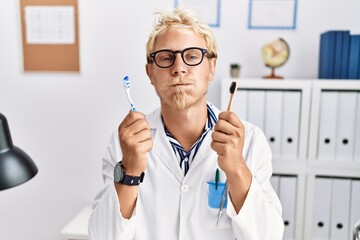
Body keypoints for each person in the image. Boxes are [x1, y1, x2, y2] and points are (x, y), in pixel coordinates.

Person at [88, 7, 284, 240]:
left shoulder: (250, 140)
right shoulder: (126, 141)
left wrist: (237, 169)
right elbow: (102, 236)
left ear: (211, 67)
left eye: (192, 56)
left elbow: (269, 236)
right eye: (165, 58)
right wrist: (129, 172)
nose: (178, 68)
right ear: (150, 73)